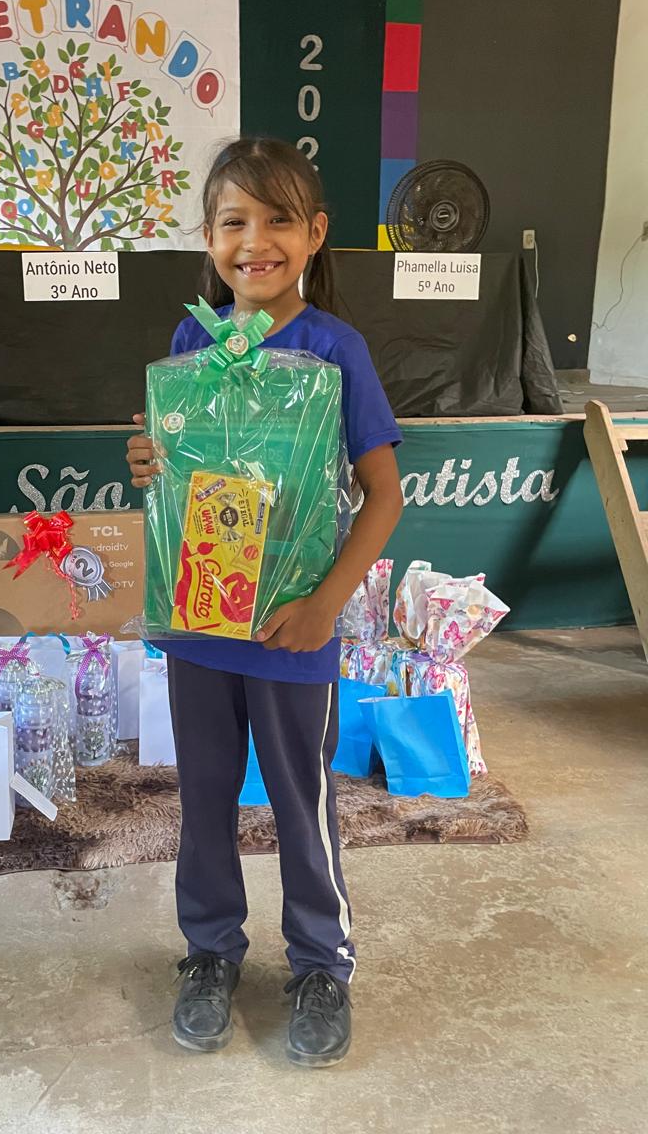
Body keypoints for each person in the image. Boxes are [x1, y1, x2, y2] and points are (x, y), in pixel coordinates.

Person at [126, 137, 404, 1067]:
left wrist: (325, 604)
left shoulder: (334, 350)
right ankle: (209, 952)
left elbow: (384, 495)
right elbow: (179, 470)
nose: (256, 242)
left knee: (300, 799)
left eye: (279, 220)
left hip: (293, 631)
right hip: (200, 618)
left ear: (315, 233)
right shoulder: (191, 342)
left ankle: (322, 965)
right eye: (234, 221)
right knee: (203, 796)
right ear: (208, 237)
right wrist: (150, 461)